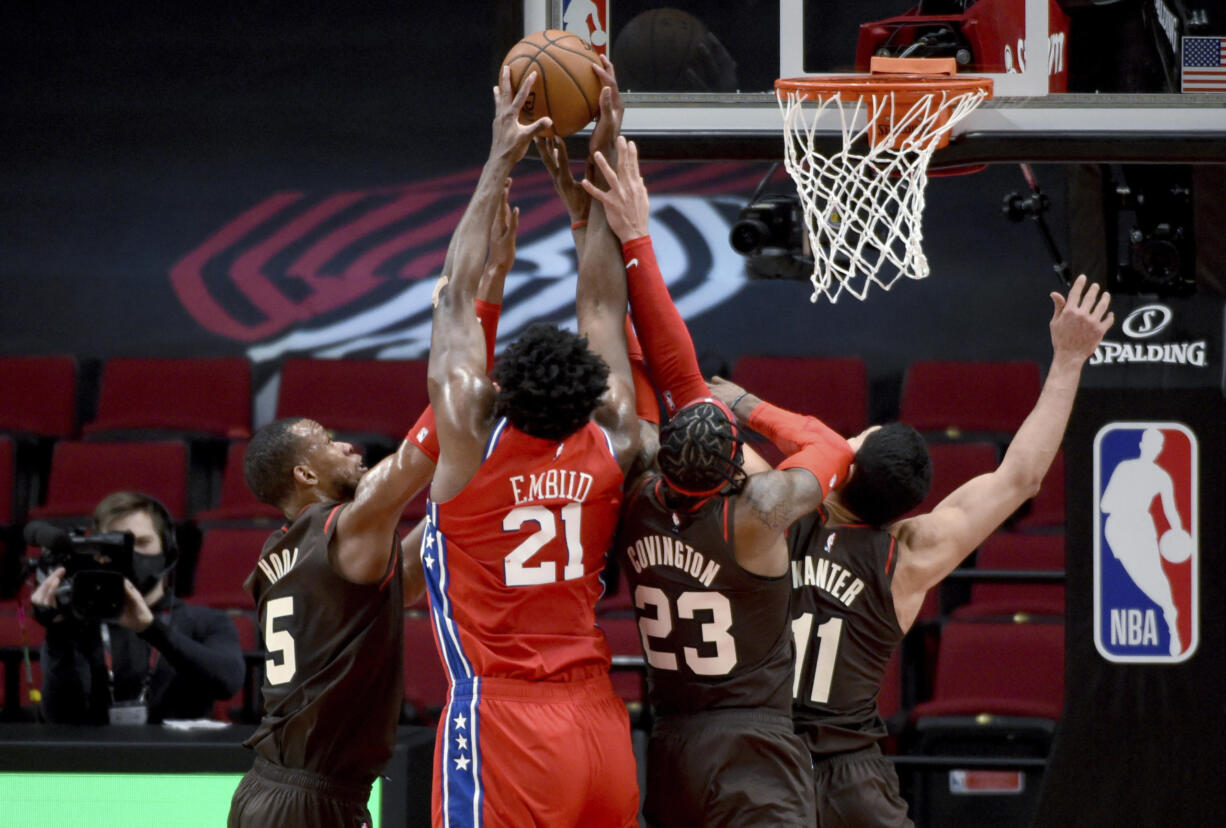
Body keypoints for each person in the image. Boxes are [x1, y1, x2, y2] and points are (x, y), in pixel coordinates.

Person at [710, 274, 1114, 828]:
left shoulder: (775, 519)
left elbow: (708, 430)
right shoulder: (911, 552)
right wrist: (1069, 360)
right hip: (851, 777)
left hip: (765, 764)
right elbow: (1020, 477)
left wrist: (724, 395)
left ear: (843, 470)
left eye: (851, 441)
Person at [228, 184, 521, 828]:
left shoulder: (283, 554)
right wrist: (480, 304)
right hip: (307, 801)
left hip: (280, 792)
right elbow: (440, 423)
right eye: (327, 442)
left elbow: (439, 521)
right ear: (305, 472)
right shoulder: (347, 527)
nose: (347, 443)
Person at [585, 135, 853, 826]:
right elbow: (827, 446)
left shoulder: (635, 486)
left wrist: (604, 233)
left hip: (670, 740)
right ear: (735, 465)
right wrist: (743, 403)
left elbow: (635, 360)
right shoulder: (760, 511)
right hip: (753, 740)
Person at [422, 59, 641, 827]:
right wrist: (595, 183)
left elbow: (453, 296)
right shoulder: (617, 436)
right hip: (599, 722)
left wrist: (499, 160)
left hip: (506, 720)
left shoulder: (466, 437)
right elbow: (605, 307)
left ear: (498, 392)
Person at [31, 491, 244, 725]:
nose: (129, 554)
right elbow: (60, 717)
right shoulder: (81, 621)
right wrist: (59, 632)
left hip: (180, 757)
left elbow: (228, 682)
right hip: (96, 757)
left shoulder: (206, 621)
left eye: (142, 542)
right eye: (114, 542)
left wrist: (151, 629)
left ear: (168, 551)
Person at [1100, 426, 1185, 655]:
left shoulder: (1161, 477)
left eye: (1157, 446)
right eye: (1150, 444)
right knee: (1136, 576)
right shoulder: (1124, 468)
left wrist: (1178, 532)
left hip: (1142, 528)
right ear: (1142, 445)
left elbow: (1171, 510)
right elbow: (1104, 504)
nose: (1153, 449)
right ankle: (1168, 611)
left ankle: (1172, 621)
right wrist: (1126, 502)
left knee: (1155, 575)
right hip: (1118, 528)